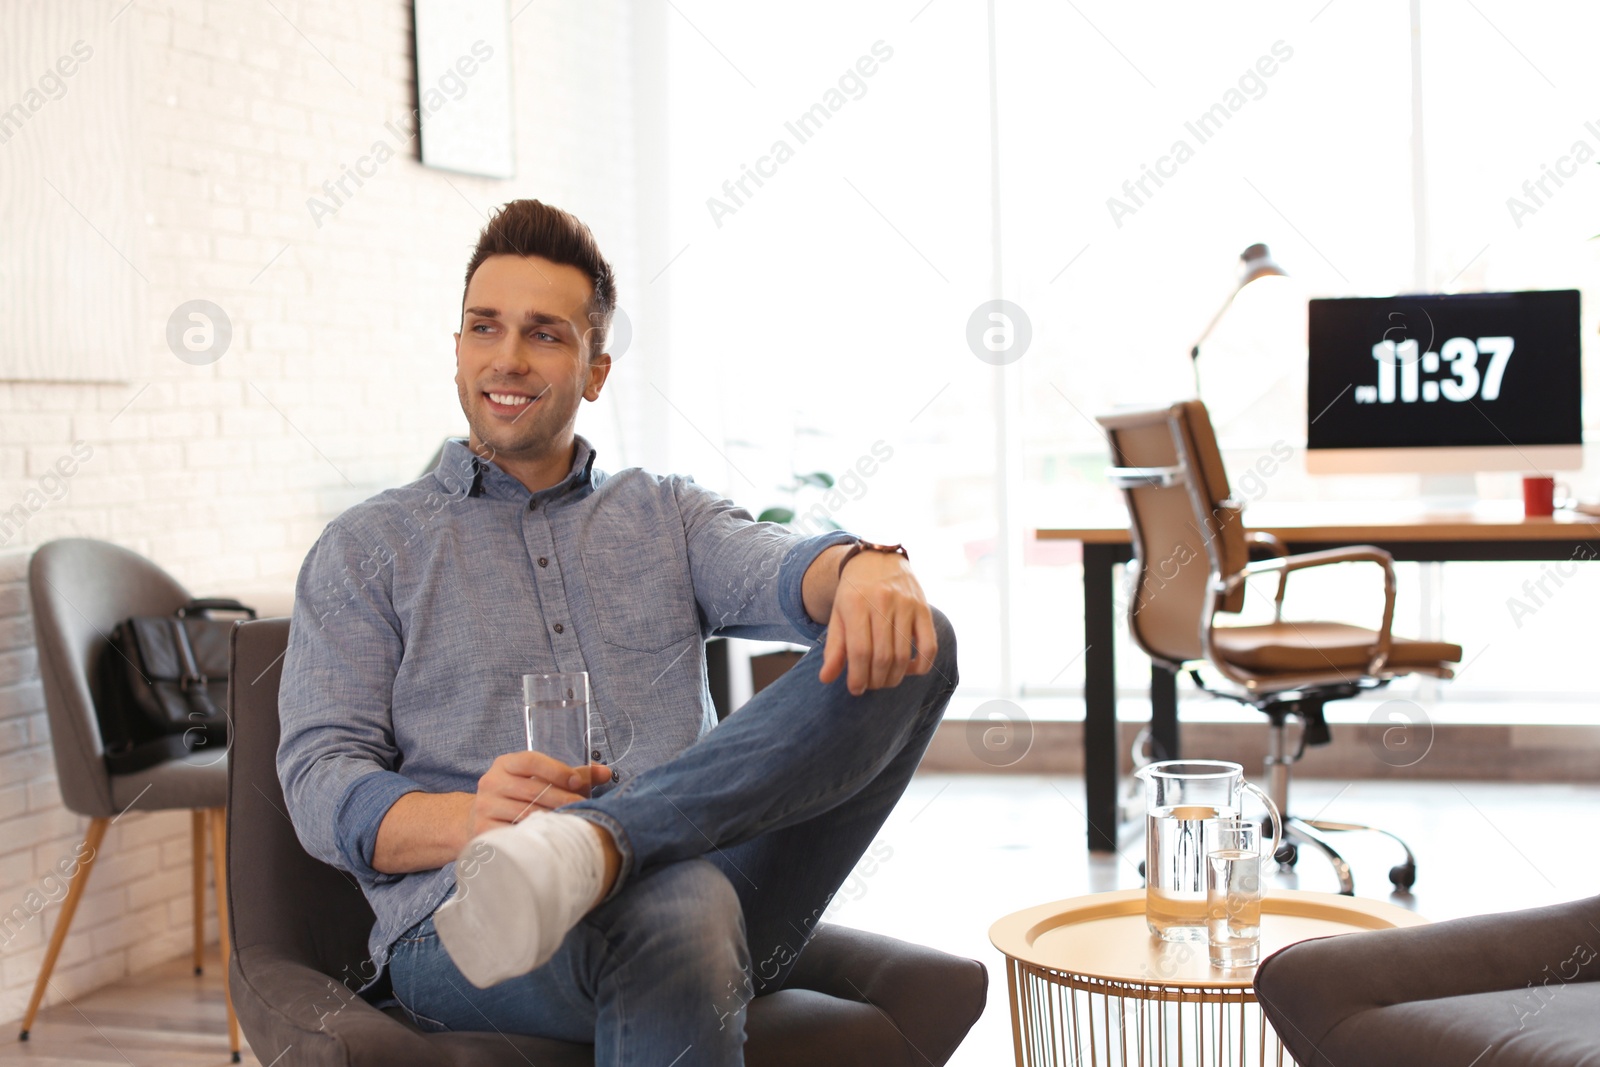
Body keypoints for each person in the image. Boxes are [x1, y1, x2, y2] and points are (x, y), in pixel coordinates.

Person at [277, 198, 958, 1063]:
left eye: (546, 334)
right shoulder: (366, 548)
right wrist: (473, 821)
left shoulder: (665, 514)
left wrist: (866, 565)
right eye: (485, 328)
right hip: (463, 928)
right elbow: (317, 777)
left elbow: (782, 570)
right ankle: (585, 853)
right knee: (684, 907)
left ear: (596, 369)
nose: (509, 357)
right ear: (457, 351)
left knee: (915, 640)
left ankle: (598, 841)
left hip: (715, 880)